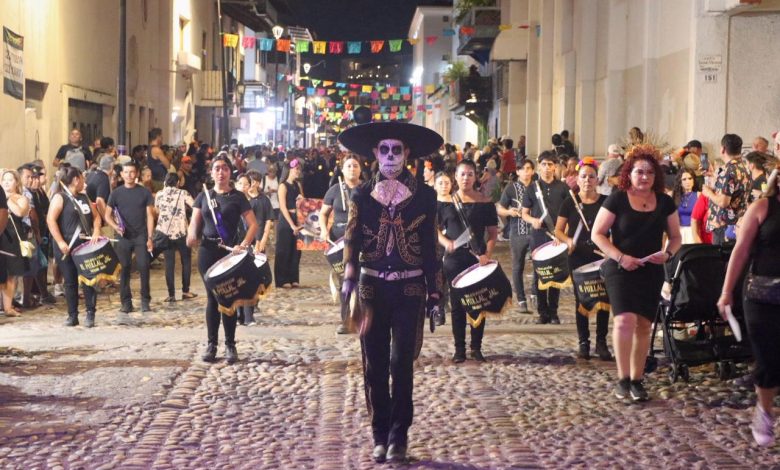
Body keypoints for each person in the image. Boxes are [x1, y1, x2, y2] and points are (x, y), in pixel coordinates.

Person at [338, 118, 442, 463]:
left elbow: (430, 247)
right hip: (371, 290)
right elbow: (351, 238)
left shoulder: (425, 196)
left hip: (410, 288)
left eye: (397, 150)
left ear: (407, 153)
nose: (391, 156)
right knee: (375, 365)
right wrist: (348, 280)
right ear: (374, 154)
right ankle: (379, 434)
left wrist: (436, 293)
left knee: (402, 363)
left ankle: (399, 435)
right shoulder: (361, 194)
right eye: (384, 150)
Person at [592, 144, 681, 402]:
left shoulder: (664, 202)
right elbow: (597, 234)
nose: (644, 177)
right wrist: (621, 257)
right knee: (624, 320)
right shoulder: (617, 198)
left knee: (644, 325)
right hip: (620, 268)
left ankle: (637, 379)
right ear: (629, 173)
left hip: (650, 269)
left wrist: (667, 254)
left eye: (650, 173)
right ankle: (622, 379)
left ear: (656, 176)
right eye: (639, 172)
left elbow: (675, 237)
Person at [718, 169, 780, 446]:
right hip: (761, 295)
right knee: (767, 358)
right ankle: (765, 411)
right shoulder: (763, 206)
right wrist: (726, 291)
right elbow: (740, 249)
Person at [187, 155, 258, 364]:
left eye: (225, 168)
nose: (221, 172)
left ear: (230, 172)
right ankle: (211, 345)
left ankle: (230, 344)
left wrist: (243, 245)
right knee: (212, 298)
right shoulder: (204, 196)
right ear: (211, 172)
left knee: (228, 297)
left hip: (230, 252)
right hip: (208, 251)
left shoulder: (238, 197)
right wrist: (191, 235)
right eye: (217, 168)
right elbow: (195, 222)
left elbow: (253, 225)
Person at [438, 160, 498, 363]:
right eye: (462, 174)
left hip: (477, 259)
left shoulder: (485, 203)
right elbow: (433, 228)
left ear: (476, 176)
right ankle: (459, 349)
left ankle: (476, 347)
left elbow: (492, 234)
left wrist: (487, 255)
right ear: (455, 176)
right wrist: (446, 242)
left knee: (478, 303)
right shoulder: (445, 202)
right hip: (454, 259)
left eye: (470, 174)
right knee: (456, 305)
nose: (466, 178)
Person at [554, 158, 612, 360]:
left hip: (601, 256)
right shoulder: (570, 202)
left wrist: (610, 249)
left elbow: (613, 229)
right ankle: (583, 342)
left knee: (604, 299)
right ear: (577, 179)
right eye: (584, 177)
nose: (587, 180)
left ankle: (602, 342)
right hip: (578, 257)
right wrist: (568, 240)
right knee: (583, 300)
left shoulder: (606, 202)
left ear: (598, 180)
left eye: (591, 177)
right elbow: (558, 231)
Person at [47, 167, 102, 327]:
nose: (84, 182)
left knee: (89, 280)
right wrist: (60, 242)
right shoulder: (60, 197)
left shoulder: (85, 197)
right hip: (67, 246)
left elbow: (96, 216)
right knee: (70, 281)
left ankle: (91, 313)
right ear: (76, 180)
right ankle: (72, 315)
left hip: (85, 245)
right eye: (82, 178)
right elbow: (51, 221)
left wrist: (97, 230)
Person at [521, 151, 570, 324]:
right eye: (544, 164)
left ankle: (554, 311)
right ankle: (543, 312)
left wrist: (563, 236)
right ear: (539, 166)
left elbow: (569, 214)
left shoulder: (563, 188)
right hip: (539, 237)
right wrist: (532, 220)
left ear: (555, 166)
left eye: (550, 164)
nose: (547, 168)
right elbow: (524, 213)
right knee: (540, 274)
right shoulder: (532, 188)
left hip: (557, 236)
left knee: (555, 274)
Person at [104, 161, 155, 314]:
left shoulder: (144, 192)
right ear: (121, 175)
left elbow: (150, 216)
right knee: (124, 268)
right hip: (123, 236)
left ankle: (145, 300)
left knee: (144, 266)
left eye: (132, 172)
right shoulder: (116, 193)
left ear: (137, 173)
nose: (129, 175)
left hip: (141, 235)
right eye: (126, 172)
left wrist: (150, 237)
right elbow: (107, 215)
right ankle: (126, 302)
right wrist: (115, 227)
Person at [319, 155, 361, 334]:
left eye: (355, 166)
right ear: (343, 170)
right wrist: (323, 229)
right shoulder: (334, 190)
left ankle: (359, 318)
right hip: (339, 239)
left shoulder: (367, 189)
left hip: (361, 238)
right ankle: (345, 320)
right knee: (345, 279)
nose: (352, 168)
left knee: (361, 280)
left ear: (360, 170)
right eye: (349, 166)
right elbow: (323, 213)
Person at [497, 159, 534, 313]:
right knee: (518, 266)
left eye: (529, 168)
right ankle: (521, 300)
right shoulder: (511, 188)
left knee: (539, 266)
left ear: (533, 171)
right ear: (518, 172)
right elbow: (500, 208)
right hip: (517, 231)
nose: (526, 171)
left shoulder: (536, 187)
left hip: (536, 232)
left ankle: (535, 295)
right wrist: (509, 212)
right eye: (523, 169)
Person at [154, 173, 196, 303]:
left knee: (169, 263)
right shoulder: (183, 193)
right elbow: (195, 206)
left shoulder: (159, 194)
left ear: (165, 182)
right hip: (181, 231)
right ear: (178, 182)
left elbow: (156, 210)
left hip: (164, 232)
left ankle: (171, 294)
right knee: (186, 261)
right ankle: (185, 291)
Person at [703, 134, 751, 245]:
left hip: (723, 227)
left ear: (723, 149)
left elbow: (724, 202)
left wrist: (708, 193)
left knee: (721, 261)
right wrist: (715, 176)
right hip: (737, 224)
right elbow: (733, 188)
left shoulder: (728, 170)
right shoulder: (745, 168)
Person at [0, 170, 30, 316]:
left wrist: (7, 200)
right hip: (1, 236)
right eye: (4, 179)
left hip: (13, 239)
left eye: (10, 179)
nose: (6, 182)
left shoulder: (21, 198)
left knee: (11, 275)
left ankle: (7, 307)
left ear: (16, 182)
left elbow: (20, 212)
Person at [274, 159, 303, 288]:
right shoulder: (283, 186)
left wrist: (301, 200)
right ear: (290, 170)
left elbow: (304, 203)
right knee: (284, 249)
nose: (298, 171)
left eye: (299, 169)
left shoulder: (298, 185)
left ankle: (293, 277)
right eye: (296, 169)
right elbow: (283, 207)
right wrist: (292, 224)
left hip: (297, 216)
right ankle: (282, 278)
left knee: (296, 250)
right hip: (286, 220)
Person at [672, 169, 700, 244]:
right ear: (680, 182)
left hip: (694, 231)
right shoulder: (674, 196)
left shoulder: (699, 195)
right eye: (684, 179)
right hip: (678, 232)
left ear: (693, 180)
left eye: (690, 178)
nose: (688, 181)